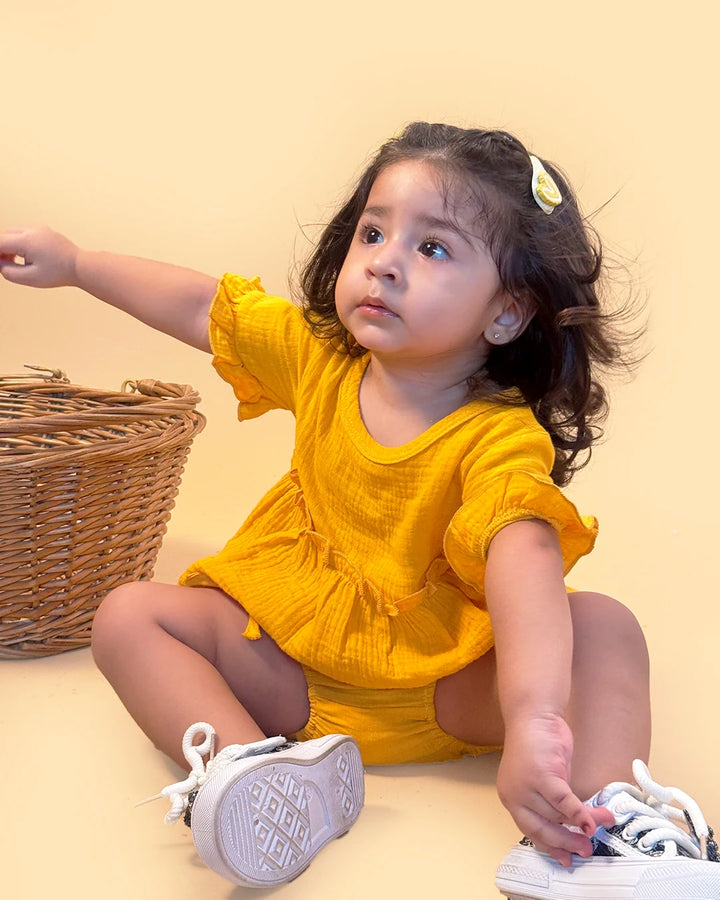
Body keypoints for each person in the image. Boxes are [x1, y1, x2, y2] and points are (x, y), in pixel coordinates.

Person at [1, 122, 718, 898]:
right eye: (374, 231)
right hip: (290, 672)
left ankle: (595, 830)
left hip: (448, 687)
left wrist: (535, 717)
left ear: (507, 314)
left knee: (605, 625)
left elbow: (526, 559)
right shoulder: (319, 360)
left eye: (432, 248)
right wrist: (75, 264)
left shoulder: (497, 437)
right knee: (128, 616)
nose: (384, 260)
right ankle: (263, 775)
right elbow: (202, 304)